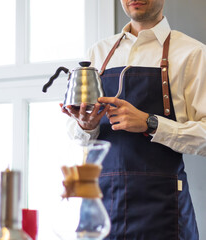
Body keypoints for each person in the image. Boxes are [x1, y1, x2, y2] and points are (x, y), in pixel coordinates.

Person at [60, 0, 206, 239]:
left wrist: (151, 123)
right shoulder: (98, 52)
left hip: (163, 209)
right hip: (103, 206)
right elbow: (80, 137)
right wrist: (86, 126)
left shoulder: (192, 53)